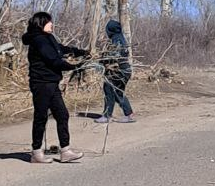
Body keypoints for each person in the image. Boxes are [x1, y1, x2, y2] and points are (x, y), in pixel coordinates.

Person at [21, 11, 87, 163]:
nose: (52, 24)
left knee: (62, 114)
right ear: (42, 23)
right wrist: (73, 66)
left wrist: (79, 52)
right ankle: (36, 152)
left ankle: (65, 151)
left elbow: (59, 49)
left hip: (52, 82)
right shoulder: (39, 40)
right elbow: (53, 60)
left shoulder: (48, 38)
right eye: (49, 21)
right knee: (41, 117)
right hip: (41, 83)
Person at [95, 18, 135, 123]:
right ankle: (128, 114)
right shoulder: (120, 38)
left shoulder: (116, 39)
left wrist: (104, 60)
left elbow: (116, 55)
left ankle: (107, 115)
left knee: (109, 90)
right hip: (124, 70)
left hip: (119, 71)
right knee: (117, 92)